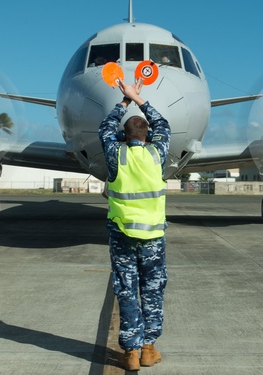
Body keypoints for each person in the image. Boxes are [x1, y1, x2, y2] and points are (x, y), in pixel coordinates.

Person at [98, 78, 171, 371]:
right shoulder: (158, 154)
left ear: (123, 136)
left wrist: (123, 102)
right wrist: (139, 99)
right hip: (153, 236)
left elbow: (105, 128)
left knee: (126, 289)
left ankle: (130, 353)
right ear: (148, 135)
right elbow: (163, 125)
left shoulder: (116, 154)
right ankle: (149, 349)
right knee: (152, 290)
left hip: (122, 235)